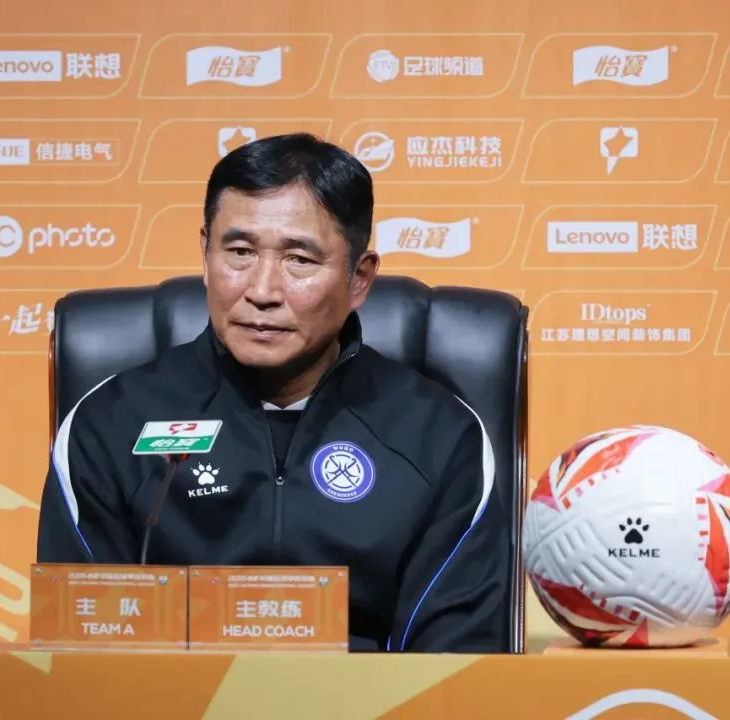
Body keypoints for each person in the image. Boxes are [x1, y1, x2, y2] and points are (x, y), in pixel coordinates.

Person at [36, 133, 510, 653]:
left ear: (359, 278)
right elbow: (82, 657)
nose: (261, 292)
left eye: (299, 260)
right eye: (239, 253)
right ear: (205, 254)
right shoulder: (110, 425)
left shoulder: (440, 437)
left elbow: (450, 670)